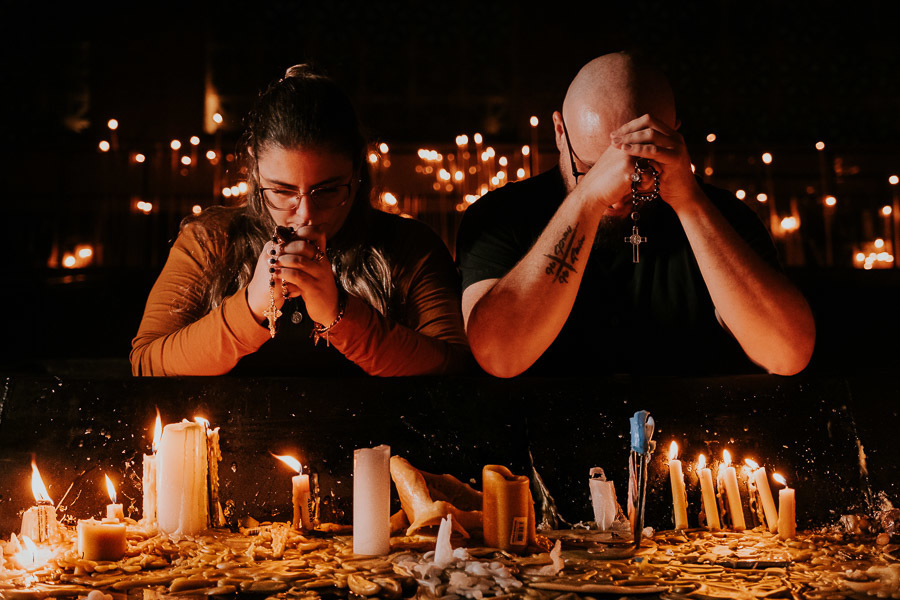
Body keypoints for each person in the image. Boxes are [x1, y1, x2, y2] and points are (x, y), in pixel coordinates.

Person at [456, 52, 815, 378]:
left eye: (641, 165)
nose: (618, 190)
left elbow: (787, 354)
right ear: (560, 132)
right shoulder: (500, 217)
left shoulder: (723, 217)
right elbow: (500, 356)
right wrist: (589, 196)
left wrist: (690, 202)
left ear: (674, 136)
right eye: (593, 167)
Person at [131, 65, 470, 376]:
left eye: (327, 190)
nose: (305, 213)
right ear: (254, 167)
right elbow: (147, 363)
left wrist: (338, 313)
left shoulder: (411, 247)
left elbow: (455, 368)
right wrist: (252, 306)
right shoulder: (210, 240)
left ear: (357, 170)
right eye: (281, 190)